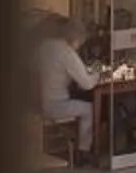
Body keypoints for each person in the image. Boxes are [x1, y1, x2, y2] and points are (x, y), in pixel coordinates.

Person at [31, 15, 98, 157]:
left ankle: (75, 143)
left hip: (39, 102)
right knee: (90, 109)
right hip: (57, 105)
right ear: (77, 39)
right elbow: (87, 84)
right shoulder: (67, 53)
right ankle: (83, 151)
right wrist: (98, 75)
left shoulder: (44, 46)